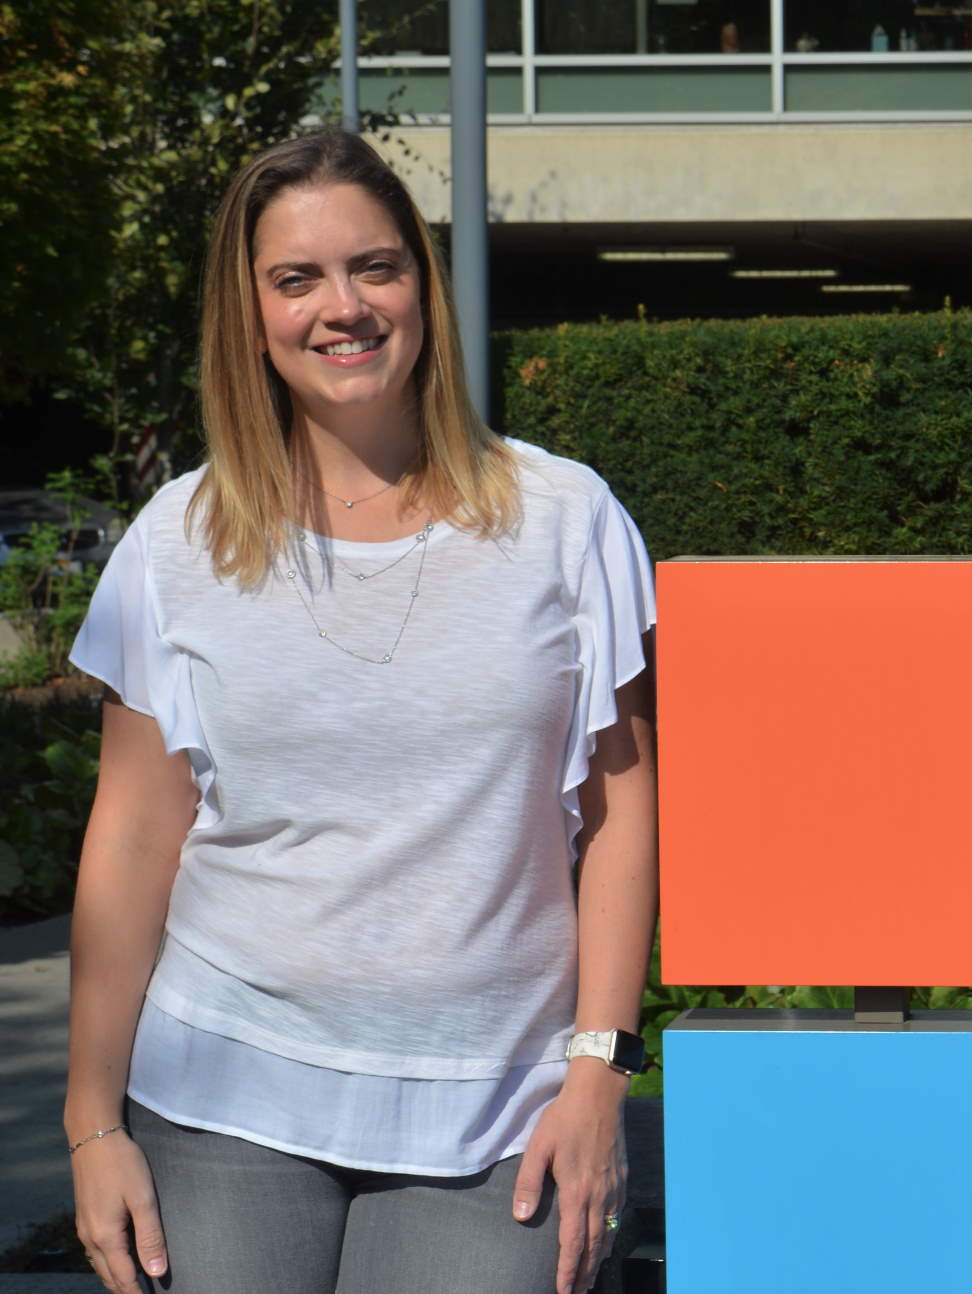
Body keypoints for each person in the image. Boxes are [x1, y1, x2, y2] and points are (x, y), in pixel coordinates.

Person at [62, 131, 658, 1294]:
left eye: (374, 267)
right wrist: (93, 1125)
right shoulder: (176, 542)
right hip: (224, 1089)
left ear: (421, 286)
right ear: (250, 315)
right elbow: (131, 838)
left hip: (500, 1106)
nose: (343, 306)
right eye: (297, 278)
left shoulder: (565, 518)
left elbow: (621, 813)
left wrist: (599, 1072)